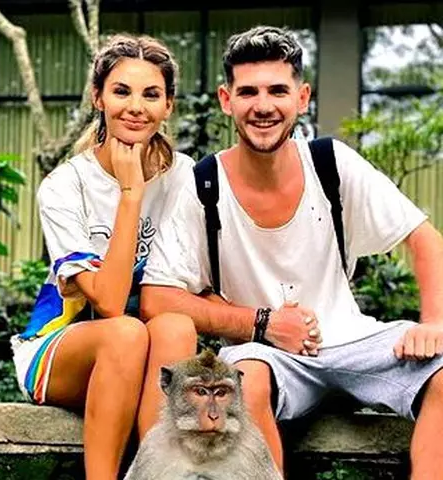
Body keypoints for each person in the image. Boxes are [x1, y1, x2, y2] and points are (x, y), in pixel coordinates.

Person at [140, 25, 443, 478]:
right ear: (226, 100)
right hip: (265, 355)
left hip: (353, 340)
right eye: (248, 92)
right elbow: (157, 297)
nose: (263, 106)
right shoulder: (202, 186)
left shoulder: (331, 163)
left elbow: (424, 238)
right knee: (243, 385)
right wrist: (262, 323)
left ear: (302, 98)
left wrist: (434, 321)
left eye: (278, 91)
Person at [10, 33, 197, 480]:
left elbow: (188, 288)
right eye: (121, 91)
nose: (136, 107)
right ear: (98, 97)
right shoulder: (65, 185)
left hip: (147, 349)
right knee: (125, 333)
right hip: (63, 349)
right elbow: (110, 304)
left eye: (151, 94)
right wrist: (131, 193)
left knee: (175, 326)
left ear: (168, 106)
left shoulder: (185, 177)